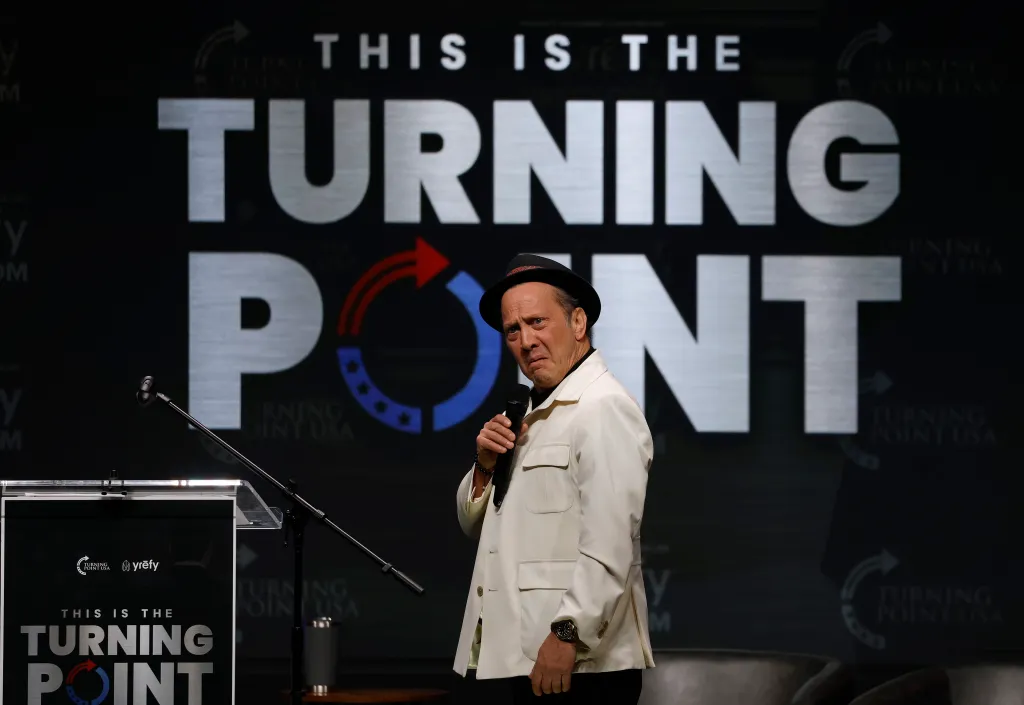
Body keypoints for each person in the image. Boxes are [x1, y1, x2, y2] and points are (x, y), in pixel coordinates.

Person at [452, 254, 655, 704]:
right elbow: (473, 526)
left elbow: (611, 543)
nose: (526, 340)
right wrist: (485, 464)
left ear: (578, 321)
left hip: (575, 664)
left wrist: (568, 635)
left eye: (538, 321)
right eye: (513, 329)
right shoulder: (528, 412)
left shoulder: (602, 406)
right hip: (516, 659)